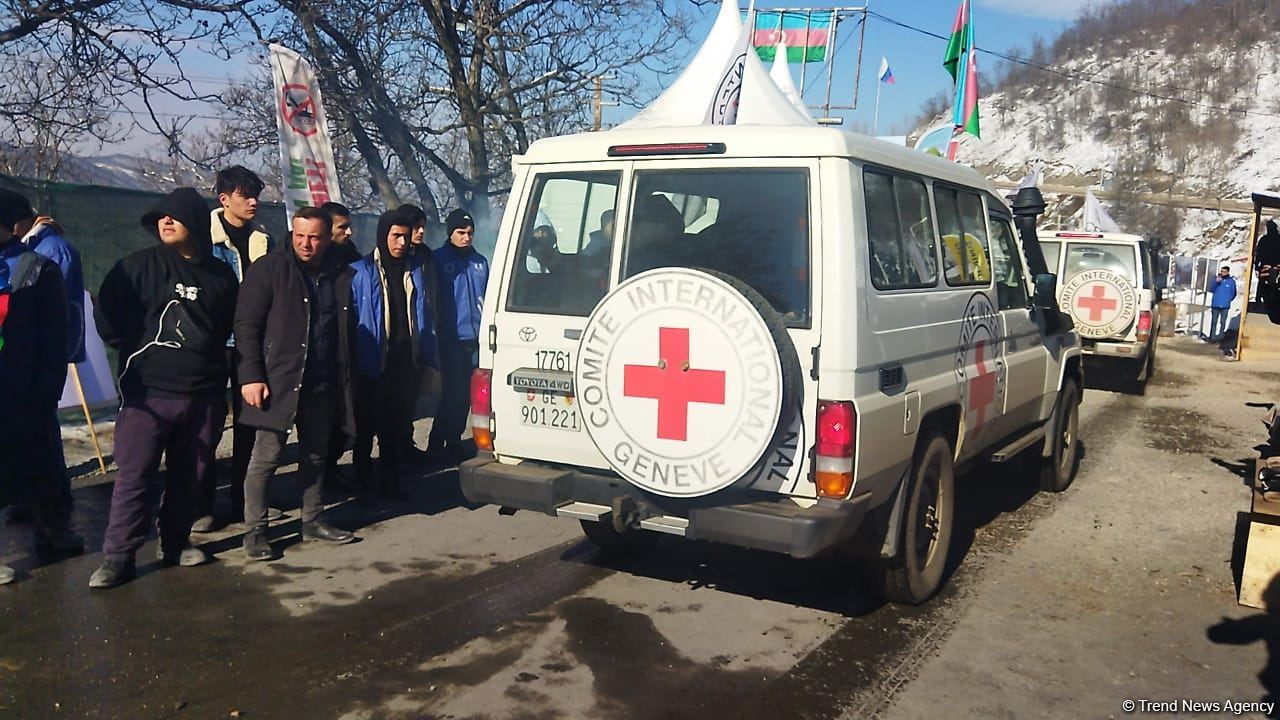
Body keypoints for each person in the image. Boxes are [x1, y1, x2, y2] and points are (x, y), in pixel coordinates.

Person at [88, 188, 238, 588]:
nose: (166, 222)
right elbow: (108, 319)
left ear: (196, 222)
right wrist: (137, 352)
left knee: (189, 476)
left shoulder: (222, 276)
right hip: (147, 396)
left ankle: (175, 542)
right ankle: (118, 557)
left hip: (203, 393)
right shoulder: (138, 267)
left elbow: (226, 327)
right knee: (134, 476)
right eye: (161, 218)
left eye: (175, 216)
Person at [234, 206, 357, 561]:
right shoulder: (270, 269)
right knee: (266, 458)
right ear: (292, 232)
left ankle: (313, 518)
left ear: (326, 237)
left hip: (322, 381)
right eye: (300, 235)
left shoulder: (339, 274)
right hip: (279, 381)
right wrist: (252, 376)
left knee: (316, 454)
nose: (306, 244)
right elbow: (246, 326)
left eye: (314, 237)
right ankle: (255, 531)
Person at [0, 190, 82, 552]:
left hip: (26, 388)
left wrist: (47, 389)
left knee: (40, 459)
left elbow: (54, 336)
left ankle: (55, 532)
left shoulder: (36, 268)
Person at [201, 166, 276, 532]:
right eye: (245, 195)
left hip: (253, 343)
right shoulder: (203, 238)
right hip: (213, 344)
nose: (253, 202)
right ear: (224, 199)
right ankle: (202, 504)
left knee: (251, 422)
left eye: (256, 195)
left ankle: (246, 501)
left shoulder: (264, 240)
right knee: (208, 425)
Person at [351, 210, 438, 495]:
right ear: (383, 235)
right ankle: (362, 484)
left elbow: (423, 316)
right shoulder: (360, 272)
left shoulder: (414, 272)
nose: (402, 242)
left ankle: (390, 483)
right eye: (395, 235)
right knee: (365, 430)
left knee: (396, 428)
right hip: (371, 363)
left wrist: (428, 359)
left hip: (405, 362)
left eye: (405, 235)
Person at [428, 209, 488, 461]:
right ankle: (436, 441)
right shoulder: (438, 260)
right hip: (451, 338)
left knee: (468, 394)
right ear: (450, 233)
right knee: (452, 393)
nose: (466, 237)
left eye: (470, 233)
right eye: (461, 232)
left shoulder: (480, 262)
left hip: (476, 340)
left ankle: (453, 438)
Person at [322, 201, 363, 266]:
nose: (349, 232)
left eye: (349, 226)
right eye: (342, 227)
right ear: (325, 228)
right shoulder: (313, 258)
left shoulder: (352, 255)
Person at [1208, 265, 1237, 342]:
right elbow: (1211, 289)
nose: (1222, 273)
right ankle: (1212, 337)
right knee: (1214, 321)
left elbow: (1233, 293)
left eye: (1224, 271)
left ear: (1227, 272)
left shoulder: (1231, 281)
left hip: (1225, 305)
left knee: (1223, 322)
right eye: (1221, 271)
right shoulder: (1216, 279)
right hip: (1215, 304)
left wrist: (1228, 300)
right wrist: (1216, 282)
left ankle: (1221, 337)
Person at [1255, 220, 1280, 305]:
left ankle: (1259, 299)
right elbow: (1259, 253)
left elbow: (1258, 253)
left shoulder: (1264, 239)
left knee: (1265, 282)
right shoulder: (1266, 239)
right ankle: (1261, 299)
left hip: (1271, 265)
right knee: (1267, 283)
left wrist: (1257, 265)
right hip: (1271, 265)